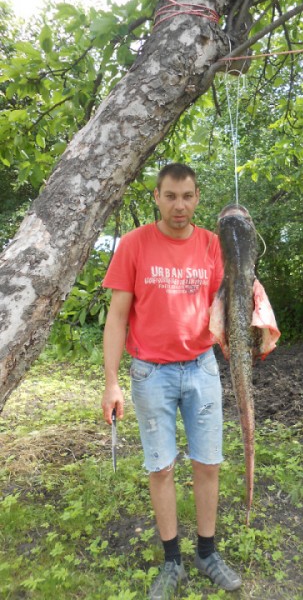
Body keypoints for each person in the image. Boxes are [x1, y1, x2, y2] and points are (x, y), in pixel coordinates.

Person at [101, 163, 242, 599]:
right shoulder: (134, 245)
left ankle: (206, 552)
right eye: (170, 196)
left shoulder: (214, 246)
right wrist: (111, 382)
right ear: (157, 198)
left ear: (198, 198)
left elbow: (230, 304)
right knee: (160, 467)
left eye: (187, 196)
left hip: (201, 368)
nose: (179, 205)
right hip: (150, 374)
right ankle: (172, 561)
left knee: (208, 462)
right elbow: (117, 317)